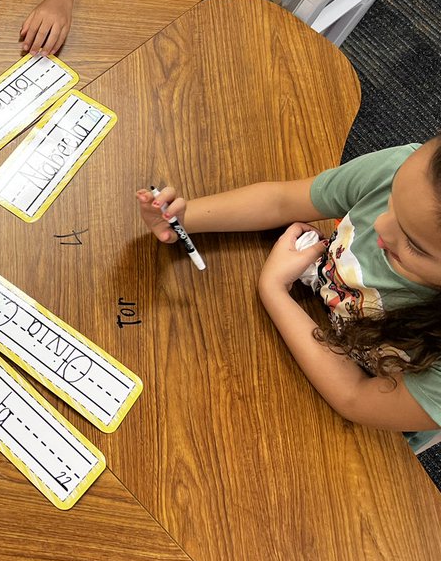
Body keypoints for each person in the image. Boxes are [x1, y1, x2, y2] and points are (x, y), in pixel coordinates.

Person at [137, 138, 441, 452]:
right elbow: (281, 200)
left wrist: (274, 291)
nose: (380, 225)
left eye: (414, 245)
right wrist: (183, 221)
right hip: (323, 320)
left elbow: (356, 397)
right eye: (391, 201)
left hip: (372, 422)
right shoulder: (404, 172)